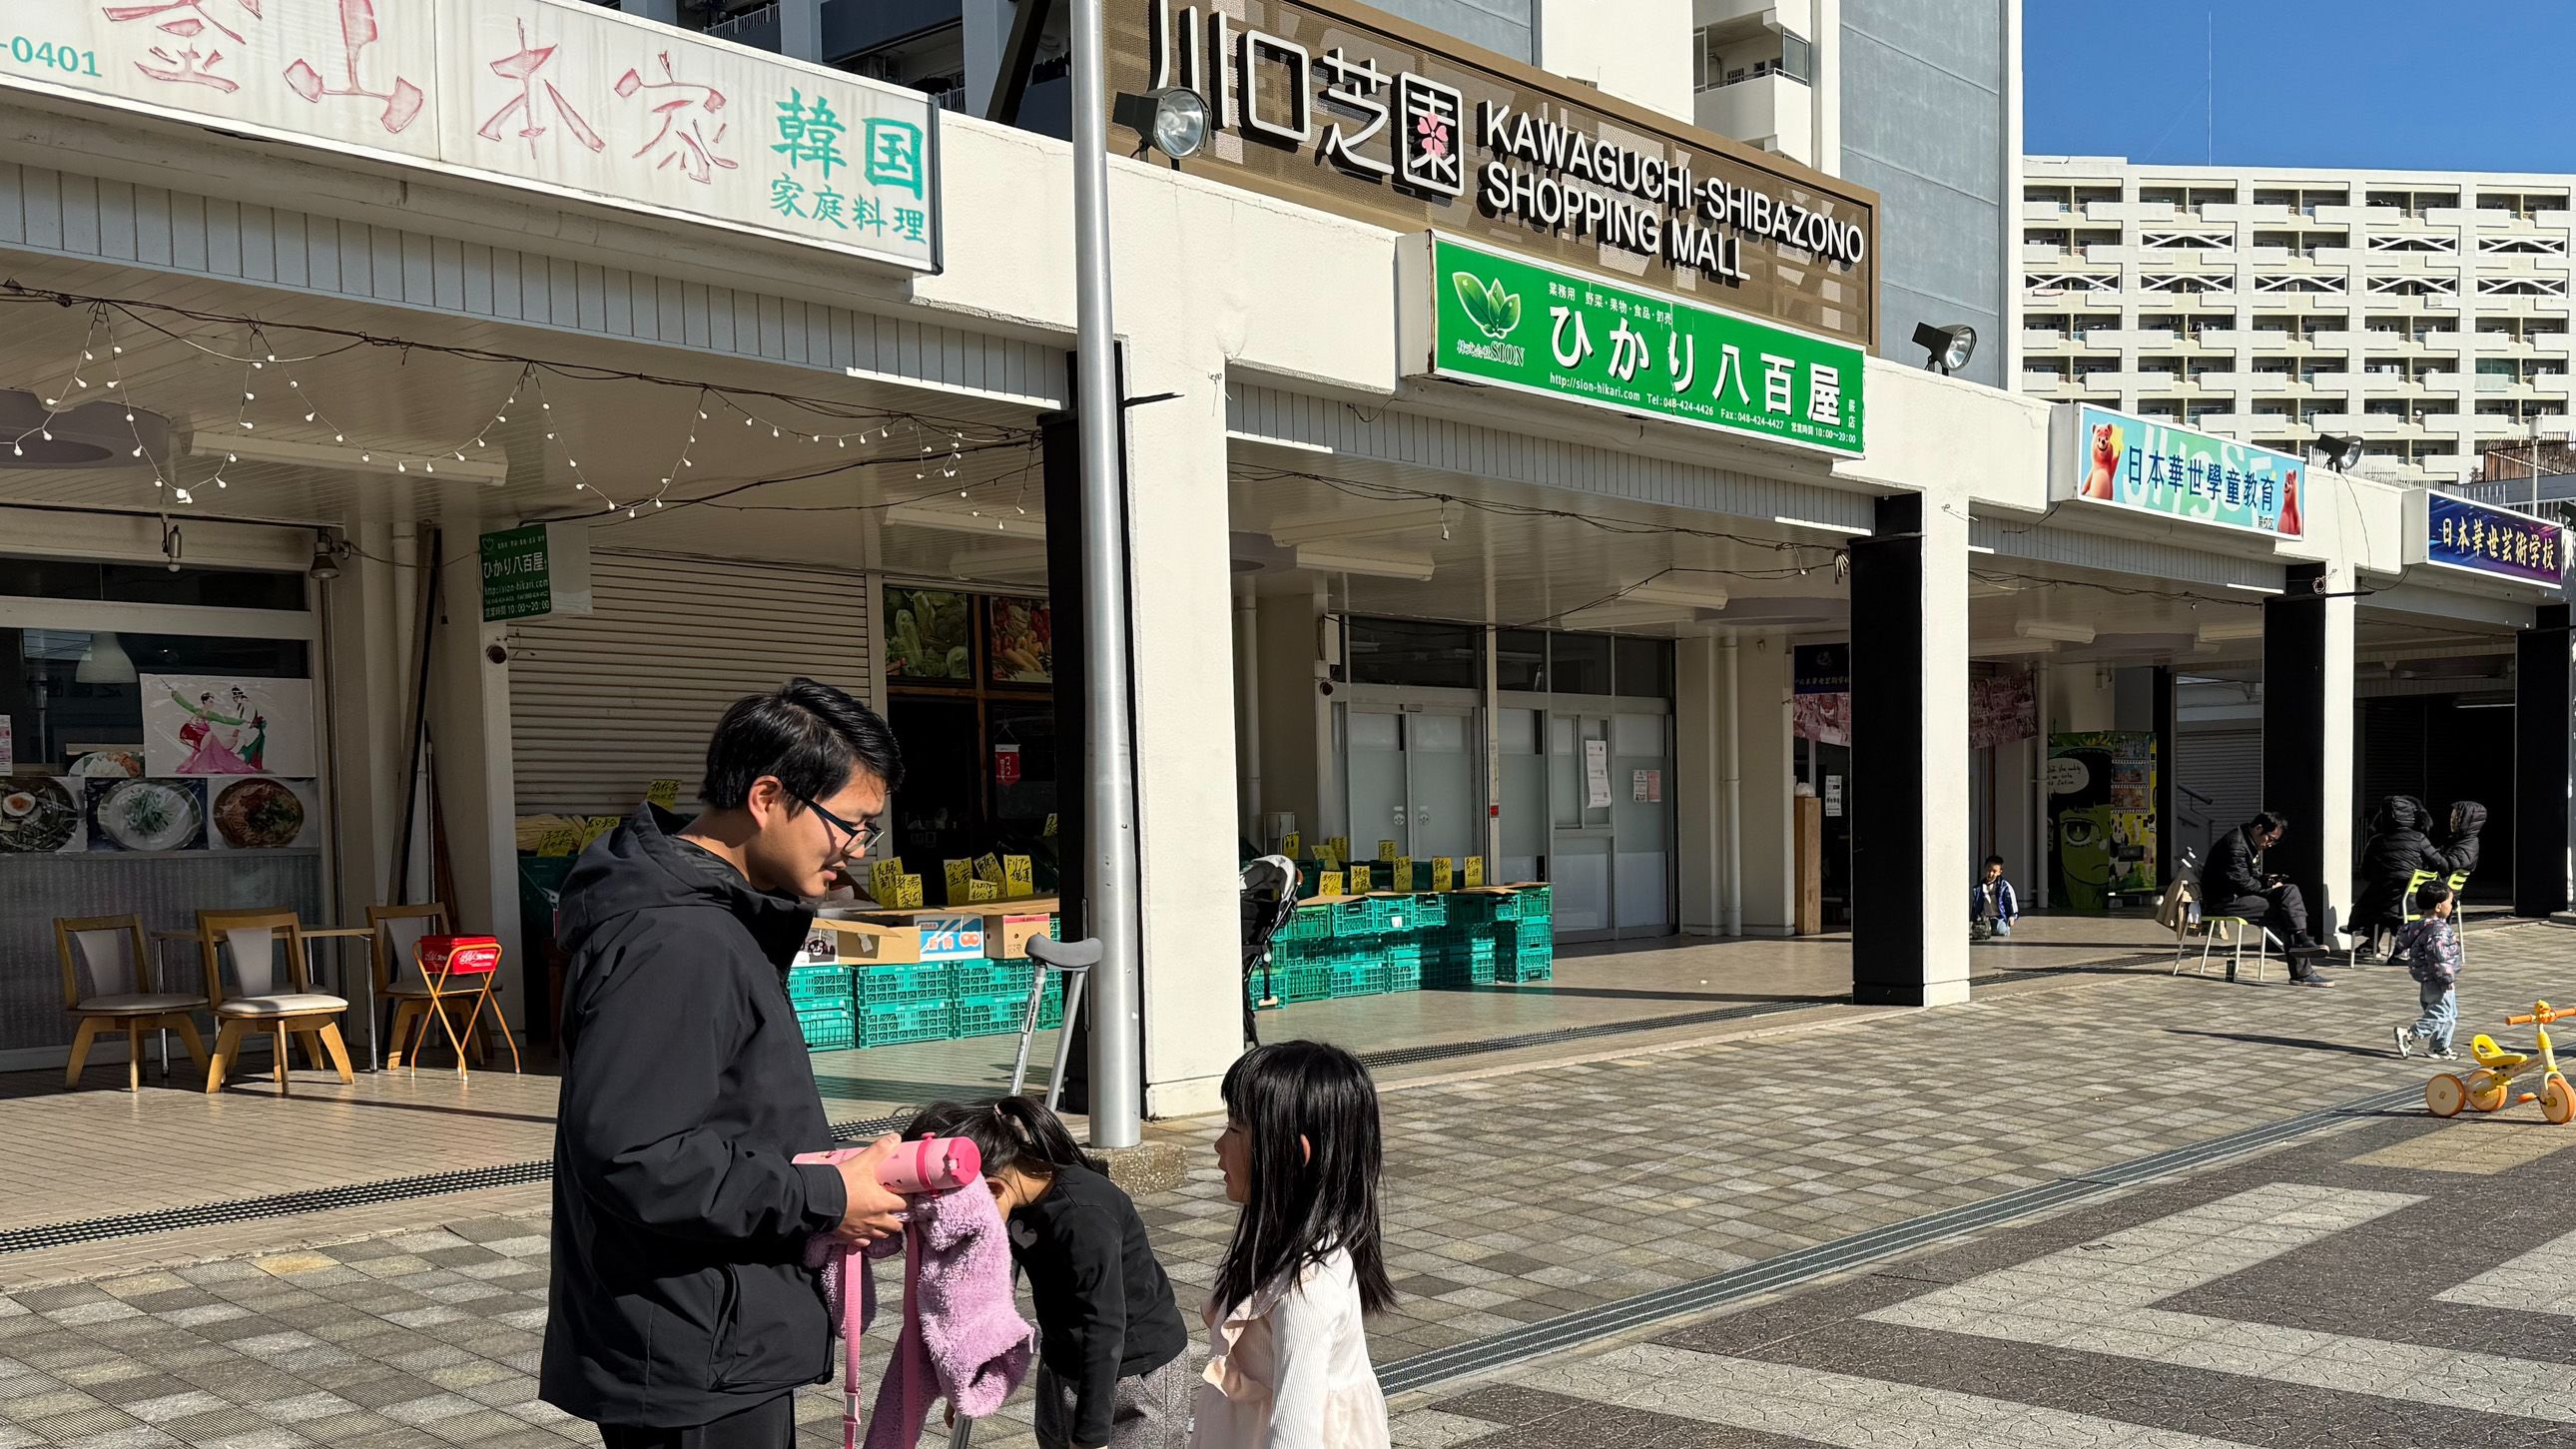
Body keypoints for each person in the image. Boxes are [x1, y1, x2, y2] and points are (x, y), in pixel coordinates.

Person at [542, 678, 915, 1449]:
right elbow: (634, 1153)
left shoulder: (709, 915)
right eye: (851, 826)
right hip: (692, 1346)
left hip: (706, 1327)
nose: (858, 850)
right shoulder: (679, 937)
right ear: (768, 796)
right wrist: (820, 1194)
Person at [902, 1097, 1191, 1449]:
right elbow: (990, 1292)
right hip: (1063, 1363)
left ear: (991, 1189)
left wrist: (1091, 1436)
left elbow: (1104, 1326)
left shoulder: (1083, 1217)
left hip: (1131, 1374)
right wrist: (969, 1376)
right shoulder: (1014, 1200)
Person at [1193, 1041, 1393, 1449]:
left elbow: (1295, 1433)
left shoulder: (1308, 1284)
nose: (1218, 1145)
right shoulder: (1277, 1243)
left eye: (1234, 1128)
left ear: (1292, 1152)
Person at [2198, 809, 2330, 987]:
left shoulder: (2245, 840)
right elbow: (2242, 883)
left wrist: (2267, 879)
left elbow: (2250, 875)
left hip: (2237, 896)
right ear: (2259, 828)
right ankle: (2302, 960)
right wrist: (2268, 888)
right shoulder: (2236, 844)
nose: (2269, 844)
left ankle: (2301, 943)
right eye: (2271, 839)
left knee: (2289, 893)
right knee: (2285, 911)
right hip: (2226, 901)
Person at [2349, 796, 2433, 960]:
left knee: (2378, 901)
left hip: (2380, 903)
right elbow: (2441, 865)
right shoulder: (2419, 838)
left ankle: (2372, 944)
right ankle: (2403, 948)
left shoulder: (2376, 841)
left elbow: (2365, 873)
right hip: (2413, 904)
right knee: (2388, 903)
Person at [2391, 880, 2463, 1061]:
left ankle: (2440, 1046)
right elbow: (2439, 956)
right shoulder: (2439, 929)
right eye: (2450, 902)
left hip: (2427, 978)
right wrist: (2446, 978)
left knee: (2448, 1013)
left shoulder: (2420, 926)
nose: (2452, 906)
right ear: (2439, 906)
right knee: (2441, 1013)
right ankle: (2410, 1034)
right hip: (2438, 978)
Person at [2428, 800, 2488, 881]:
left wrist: (2426, 848)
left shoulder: (2468, 844)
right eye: (2451, 817)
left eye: (2457, 818)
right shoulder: (2456, 840)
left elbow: (2446, 867)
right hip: (2439, 887)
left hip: (2440, 890)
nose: (2452, 821)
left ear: (2469, 821)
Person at [1969, 855, 2021, 941]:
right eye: (1989, 870)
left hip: (1999, 916)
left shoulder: (2004, 887)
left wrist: (2012, 916)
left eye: (1994, 871)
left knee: (2000, 931)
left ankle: (2002, 927)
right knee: (1980, 931)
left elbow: (2011, 902)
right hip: (1985, 917)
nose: (1990, 874)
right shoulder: (1979, 888)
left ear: (1999, 872)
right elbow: (1975, 904)